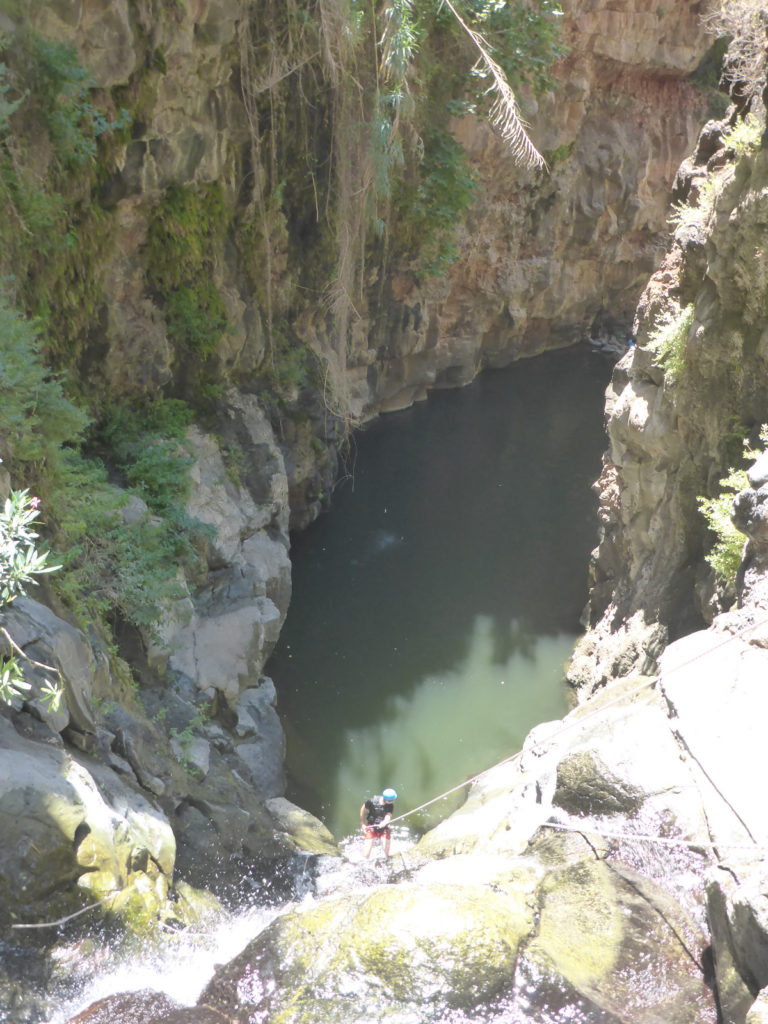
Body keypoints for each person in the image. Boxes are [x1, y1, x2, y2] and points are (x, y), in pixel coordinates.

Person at [360, 787, 397, 858]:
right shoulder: (371, 801)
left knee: (387, 854)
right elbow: (363, 808)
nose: (393, 801)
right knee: (366, 855)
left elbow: (388, 816)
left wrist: (384, 822)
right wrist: (362, 823)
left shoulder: (390, 805)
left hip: (383, 827)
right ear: (387, 800)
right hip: (371, 826)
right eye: (392, 800)